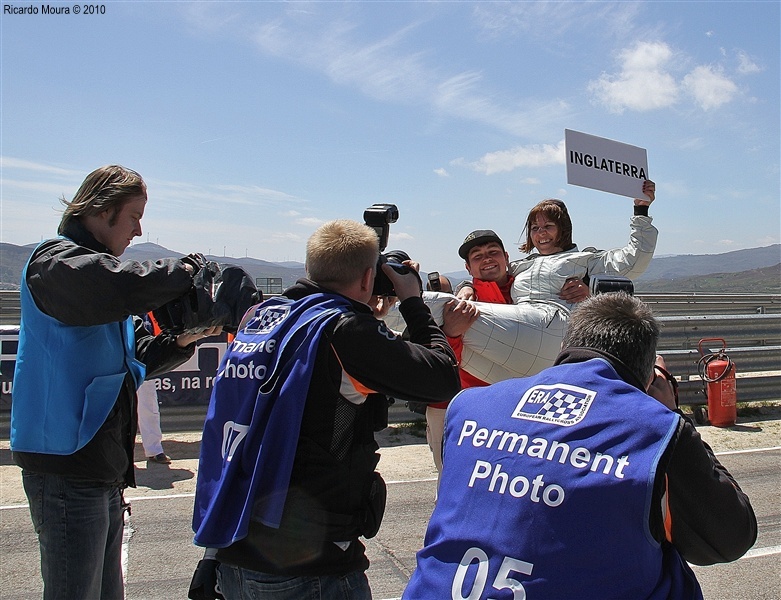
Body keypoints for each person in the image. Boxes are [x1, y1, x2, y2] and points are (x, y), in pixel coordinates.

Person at [404, 292, 757, 600]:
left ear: (562, 347)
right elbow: (730, 538)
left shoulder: (468, 406)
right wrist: (670, 416)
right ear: (648, 375)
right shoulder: (656, 429)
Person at [192, 219, 461, 600]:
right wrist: (414, 302)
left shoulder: (267, 318)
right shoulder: (344, 330)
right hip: (309, 568)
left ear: (309, 269)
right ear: (368, 278)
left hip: (233, 548)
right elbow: (443, 379)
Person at [10, 164, 221, 600]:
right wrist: (187, 271)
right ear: (103, 211)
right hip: (66, 462)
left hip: (99, 463)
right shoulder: (56, 263)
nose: (140, 230)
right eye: (134, 216)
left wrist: (186, 337)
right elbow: (114, 286)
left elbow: (137, 357)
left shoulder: (100, 278)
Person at [425, 230, 590, 477]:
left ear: (507, 257)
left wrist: (583, 294)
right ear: (468, 268)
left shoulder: (537, 289)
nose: (487, 259)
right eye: (478, 256)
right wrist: (452, 333)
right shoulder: (459, 303)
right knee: (455, 481)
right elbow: (437, 360)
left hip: (524, 408)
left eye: (493, 252)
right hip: (462, 406)